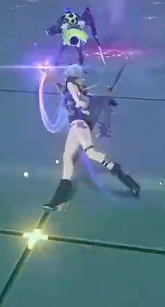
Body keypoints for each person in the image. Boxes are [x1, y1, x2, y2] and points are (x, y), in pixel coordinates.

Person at [44, 64, 140, 211]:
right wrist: (48, 74)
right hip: (75, 126)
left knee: (91, 153)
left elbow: (81, 100)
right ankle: (59, 198)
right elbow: (62, 86)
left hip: (79, 125)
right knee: (67, 157)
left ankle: (126, 179)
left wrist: (79, 100)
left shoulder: (81, 95)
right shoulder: (69, 92)